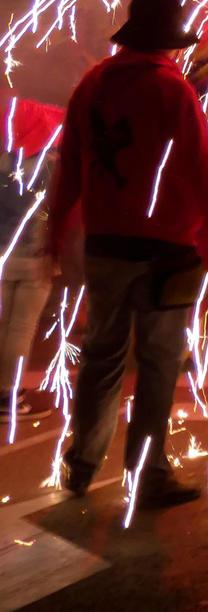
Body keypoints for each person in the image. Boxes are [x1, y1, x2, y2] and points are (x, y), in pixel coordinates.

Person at [48, 0, 208, 508]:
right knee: (158, 362)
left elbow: (70, 164)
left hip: (106, 242)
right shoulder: (172, 89)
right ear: (168, 41)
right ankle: (148, 469)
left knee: (103, 355)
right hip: (166, 248)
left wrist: (54, 228)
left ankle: (82, 461)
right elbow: (202, 169)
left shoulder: (93, 84)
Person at [0, 98, 65, 421]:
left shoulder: (1, 163)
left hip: (2, 255)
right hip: (35, 256)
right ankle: (9, 395)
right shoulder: (50, 166)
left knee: (4, 325)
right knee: (22, 327)